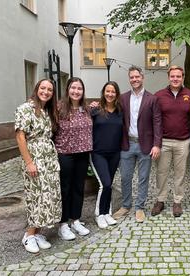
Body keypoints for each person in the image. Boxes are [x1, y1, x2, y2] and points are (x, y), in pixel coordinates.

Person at [15, 79, 61, 253]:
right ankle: (28, 235)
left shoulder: (46, 110)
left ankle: (38, 232)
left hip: (48, 159)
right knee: (36, 196)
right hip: (34, 158)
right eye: (43, 88)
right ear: (37, 89)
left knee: (48, 196)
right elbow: (20, 137)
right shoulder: (25, 108)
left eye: (50, 89)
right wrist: (29, 162)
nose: (46, 92)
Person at [113, 66, 162, 223]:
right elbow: (109, 110)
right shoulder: (122, 98)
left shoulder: (152, 99)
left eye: (137, 77)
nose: (134, 79)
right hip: (126, 144)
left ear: (142, 77)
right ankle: (126, 205)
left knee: (143, 178)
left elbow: (157, 123)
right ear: (129, 79)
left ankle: (139, 207)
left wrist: (157, 144)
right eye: (132, 77)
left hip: (145, 145)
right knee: (125, 177)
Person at [151, 65, 190, 217]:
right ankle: (160, 200)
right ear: (168, 77)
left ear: (183, 77)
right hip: (164, 141)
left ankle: (177, 201)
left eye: (178, 76)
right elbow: (153, 117)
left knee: (180, 173)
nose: (175, 79)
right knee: (161, 172)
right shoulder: (159, 95)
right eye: (173, 76)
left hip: (183, 141)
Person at [54, 77, 92, 240]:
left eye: (79, 89)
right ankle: (63, 224)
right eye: (73, 88)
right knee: (65, 188)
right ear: (68, 90)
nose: (76, 91)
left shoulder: (87, 109)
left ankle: (76, 219)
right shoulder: (59, 108)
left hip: (83, 153)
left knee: (78, 187)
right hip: (65, 154)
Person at [90, 81, 123, 228]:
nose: (110, 94)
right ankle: (99, 214)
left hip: (115, 153)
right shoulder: (95, 110)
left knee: (110, 184)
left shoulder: (120, 112)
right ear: (103, 92)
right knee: (105, 184)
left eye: (113, 92)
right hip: (98, 153)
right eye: (107, 91)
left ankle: (107, 213)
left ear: (117, 94)